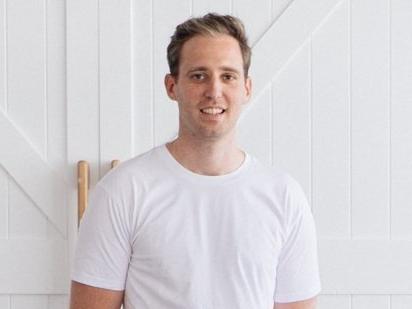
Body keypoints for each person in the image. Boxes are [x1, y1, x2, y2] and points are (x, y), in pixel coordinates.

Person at [70, 13, 321, 309]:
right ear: (172, 86)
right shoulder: (123, 190)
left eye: (228, 76)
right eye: (198, 75)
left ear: (247, 88)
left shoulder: (284, 196)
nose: (214, 91)